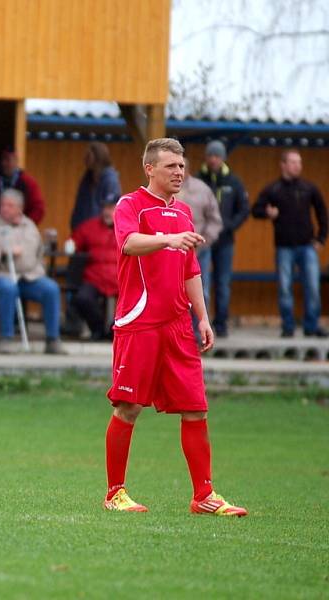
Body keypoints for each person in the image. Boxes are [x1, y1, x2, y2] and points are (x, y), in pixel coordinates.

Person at [104, 137, 247, 516]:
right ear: (149, 168)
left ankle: (204, 496)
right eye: (171, 166)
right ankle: (115, 493)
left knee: (196, 408)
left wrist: (202, 316)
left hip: (178, 326)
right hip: (139, 322)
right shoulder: (130, 205)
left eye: (182, 167)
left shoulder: (184, 213)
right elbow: (129, 244)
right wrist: (168, 239)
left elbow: (191, 270)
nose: (179, 172)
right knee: (128, 406)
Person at [0, 188, 62, 354]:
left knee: (51, 289)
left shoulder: (30, 227)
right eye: (2, 205)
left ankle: (52, 339)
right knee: (8, 288)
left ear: (20, 208)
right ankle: (6, 338)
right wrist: (2, 253)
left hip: (29, 276)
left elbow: (40, 255)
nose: (5, 208)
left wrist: (38, 270)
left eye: (10, 205)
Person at [252, 149, 327, 338]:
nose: (297, 166)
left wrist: (321, 238)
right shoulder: (274, 189)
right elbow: (255, 209)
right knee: (285, 287)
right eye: (293, 162)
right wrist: (267, 213)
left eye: (299, 162)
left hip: (307, 246)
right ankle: (288, 326)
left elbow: (322, 213)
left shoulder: (309, 188)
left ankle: (311, 326)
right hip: (283, 247)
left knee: (312, 287)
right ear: (283, 165)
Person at [196, 140, 249, 338]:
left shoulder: (233, 182)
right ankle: (202, 323)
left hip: (225, 241)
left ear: (223, 158)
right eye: (210, 155)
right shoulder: (198, 180)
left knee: (223, 283)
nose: (213, 159)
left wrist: (229, 227)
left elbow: (243, 209)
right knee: (201, 284)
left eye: (217, 156)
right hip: (203, 241)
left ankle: (221, 323)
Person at [178, 158, 223, 343]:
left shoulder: (202, 189)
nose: (177, 172)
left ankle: (200, 332)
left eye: (180, 167)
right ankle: (181, 331)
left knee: (201, 291)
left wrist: (204, 241)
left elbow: (215, 220)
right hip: (170, 249)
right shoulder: (165, 190)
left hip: (199, 250)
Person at [63, 198, 119, 341]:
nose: (108, 212)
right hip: (95, 278)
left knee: (135, 301)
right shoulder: (89, 227)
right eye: (106, 208)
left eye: (112, 208)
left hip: (121, 279)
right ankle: (98, 329)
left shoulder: (128, 227)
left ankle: (114, 331)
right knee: (82, 298)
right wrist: (70, 246)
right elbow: (73, 242)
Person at [0, 147, 45, 225]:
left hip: (19, 229)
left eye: (8, 160)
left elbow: (38, 208)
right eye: (2, 159)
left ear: (16, 161)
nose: (3, 163)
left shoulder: (28, 182)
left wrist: (24, 224)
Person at [69, 142, 122, 231]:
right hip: (82, 229)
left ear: (98, 157)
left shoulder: (110, 180)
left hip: (100, 232)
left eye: (89, 156)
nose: (85, 159)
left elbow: (111, 210)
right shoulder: (87, 179)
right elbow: (80, 204)